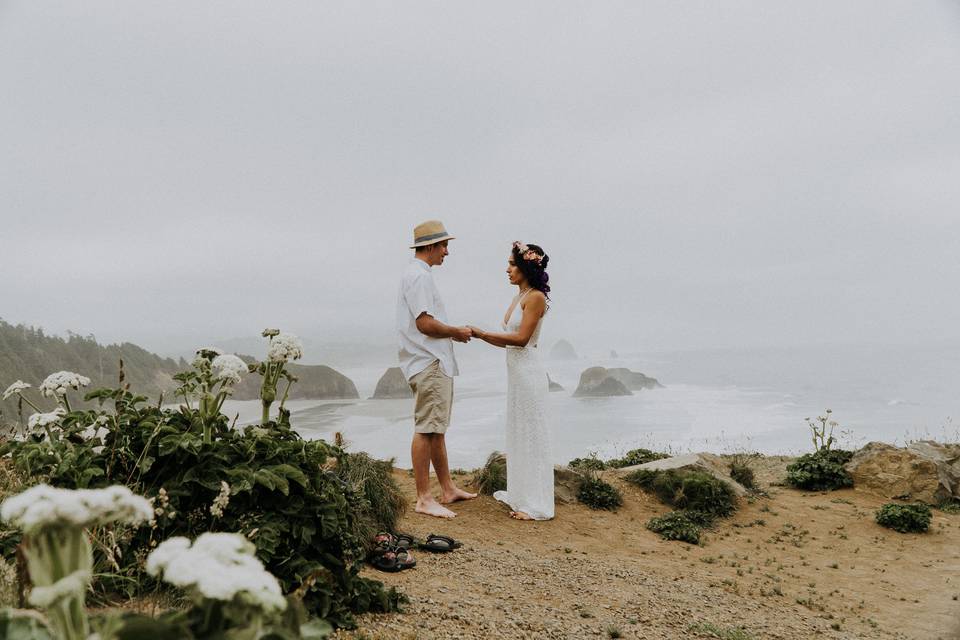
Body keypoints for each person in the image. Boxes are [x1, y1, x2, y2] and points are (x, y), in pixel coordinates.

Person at [396, 220, 477, 519]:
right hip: (428, 361)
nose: (446, 251)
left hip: (431, 361)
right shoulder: (418, 277)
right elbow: (424, 323)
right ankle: (423, 497)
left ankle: (447, 489)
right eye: (444, 245)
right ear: (429, 246)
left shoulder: (419, 275)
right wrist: (456, 331)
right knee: (426, 428)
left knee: (437, 429)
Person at [469, 241, 554, 520]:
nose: (507, 269)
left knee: (532, 437)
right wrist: (482, 337)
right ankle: (520, 495)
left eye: (512, 264)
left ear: (527, 266)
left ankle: (536, 504)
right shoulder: (521, 295)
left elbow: (520, 340)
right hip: (516, 376)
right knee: (518, 433)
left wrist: (483, 334)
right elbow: (508, 343)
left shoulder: (536, 298)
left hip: (529, 375)